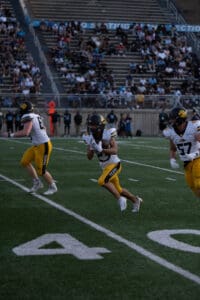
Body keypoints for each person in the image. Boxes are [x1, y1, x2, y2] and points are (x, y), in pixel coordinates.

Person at [82, 113, 143, 212]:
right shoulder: (91, 138)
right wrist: (90, 146)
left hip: (115, 164)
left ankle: (120, 199)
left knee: (102, 181)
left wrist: (102, 150)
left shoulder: (108, 134)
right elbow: (89, 157)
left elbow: (115, 150)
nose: (91, 127)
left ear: (99, 126)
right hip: (105, 167)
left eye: (93, 125)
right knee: (119, 190)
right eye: (91, 125)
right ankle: (135, 200)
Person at [2, 101, 57, 195]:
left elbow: (25, 132)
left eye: (21, 108)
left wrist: (10, 135)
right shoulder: (35, 115)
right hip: (37, 144)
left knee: (41, 170)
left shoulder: (28, 116)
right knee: (25, 161)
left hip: (43, 145)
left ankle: (52, 186)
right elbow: (43, 129)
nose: (20, 110)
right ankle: (37, 183)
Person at [163, 107, 200, 198]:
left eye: (173, 119)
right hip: (187, 165)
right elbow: (172, 148)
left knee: (199, 185)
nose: (171, 121)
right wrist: (172, 159)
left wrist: (194, 154)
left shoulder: (194, 127)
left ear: (180, 119)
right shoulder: (171, 132)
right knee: (195, 190)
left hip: (197, 160)